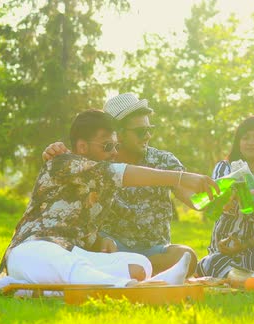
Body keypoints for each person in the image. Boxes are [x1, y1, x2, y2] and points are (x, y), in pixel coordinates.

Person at [0, 110, 218, 290]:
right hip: (35, 249)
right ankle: (129, 288)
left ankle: (32, 287)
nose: (113, 152)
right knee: (65, 264)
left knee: (138, 265)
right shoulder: (62, 163)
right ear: (82, 147)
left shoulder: (108, 181)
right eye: (107, 146)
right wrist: (186, 177)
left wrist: (99, 240)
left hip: (75, 252)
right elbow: (121, 173)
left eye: (115, 146)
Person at [42, 93, 199, 276]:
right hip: (110, 248)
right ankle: (135, 271)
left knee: (185, 256)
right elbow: (66, 180)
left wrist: (217, 199)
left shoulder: (163, 160)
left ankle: (129, 270)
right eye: (141, 131)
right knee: (82, 246)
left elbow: (191, 197)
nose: (147, 136)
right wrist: (53, 154)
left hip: (155, 250)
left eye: (150, 129)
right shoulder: (96, 162)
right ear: (119, 134)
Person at [196, 115, 254, 278]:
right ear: (238, 143)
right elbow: (216, 201)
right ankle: (251, 280)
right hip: (222, 246)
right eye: (245, 138)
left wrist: (246, 244)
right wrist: (227, 198)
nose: (251, 142)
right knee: (214, 263)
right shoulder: (224, 168)